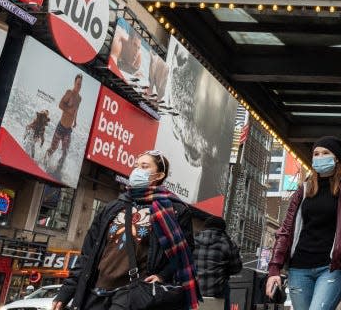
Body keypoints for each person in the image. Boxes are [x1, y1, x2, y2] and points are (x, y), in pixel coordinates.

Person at [53, 150, 200, 310]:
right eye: (136, 166)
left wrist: (162, 276)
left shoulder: (175, 211)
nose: (137, 170)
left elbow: (184, 254)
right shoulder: (113, 207)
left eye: (144, 166)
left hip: (133, 295)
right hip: (96, 294)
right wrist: (66, 291)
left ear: (159, 176)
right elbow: (88, 255)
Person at [266, 136, 341, 310]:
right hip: (299, 268)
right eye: (316, 153)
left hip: (332, 267)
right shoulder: (303, 190)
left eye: (325, 153)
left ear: (336, 158)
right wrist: (274, 270)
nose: (319, 157)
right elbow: (286, 230)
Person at [194, 216, 242, 310]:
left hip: (194, 292)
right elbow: (237, 268)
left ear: (205, 227)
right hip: (217, 293)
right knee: (226, 286)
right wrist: (224, 270)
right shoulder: (228, 243)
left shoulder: (193, 241)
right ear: (223, 229)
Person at [45, 75, 82, 167]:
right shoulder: (69, 93)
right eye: (77, 84)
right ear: (74, 83)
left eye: (80, 85)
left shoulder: (79, 98)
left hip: (68, 130)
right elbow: (60, 104)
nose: (79, 86)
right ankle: (44, 162)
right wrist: (68, 109)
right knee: (53, 149)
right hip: (61, 127)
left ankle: (57, 170)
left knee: (65, 153)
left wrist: (75, 121)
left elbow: (76, 110)